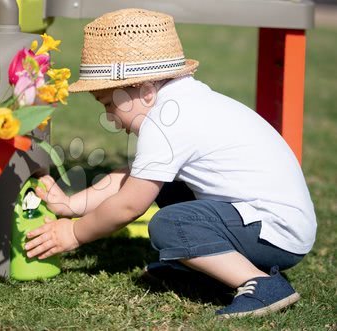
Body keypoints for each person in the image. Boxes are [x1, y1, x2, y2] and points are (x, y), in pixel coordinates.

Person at [24, 8, 316, 318]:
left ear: (147, 91)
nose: (109, 116)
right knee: (161, 187)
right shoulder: (182, 102)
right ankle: (205, 267)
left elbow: (129, 205)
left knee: (171, 225)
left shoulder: (166, 121)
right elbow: (132, 179)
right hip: (276, 220)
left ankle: (262, 284)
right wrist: (72, 205)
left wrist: (73, 233)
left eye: (110, 103)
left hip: (275, 232)